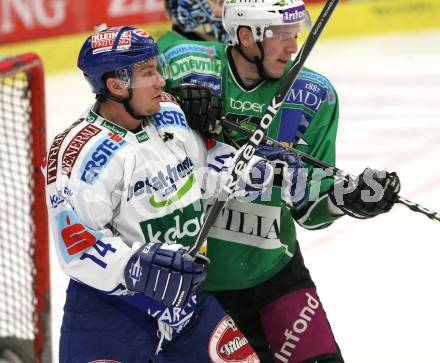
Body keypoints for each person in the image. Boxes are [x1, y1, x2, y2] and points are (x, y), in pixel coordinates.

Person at [158, 0, 401, 362]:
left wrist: (345, 198)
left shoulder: (312, 95)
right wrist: (171, 104)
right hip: (197, 289)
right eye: (281, 36)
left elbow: (309, 206)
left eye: (295, 34)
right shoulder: (188, 66)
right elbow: (126, 124)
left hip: (276, 274)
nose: (293, 46)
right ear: (246, 36)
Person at [42, 25, 263, 363]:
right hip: (111, 310)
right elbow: (77, 245)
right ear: (116, 86)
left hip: (186, 301)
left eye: (156, 68)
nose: (161, 81)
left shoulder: (170, 114)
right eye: (148, 73)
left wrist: (255, 168)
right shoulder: (80, 154)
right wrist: (133, 265)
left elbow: (209, 167)